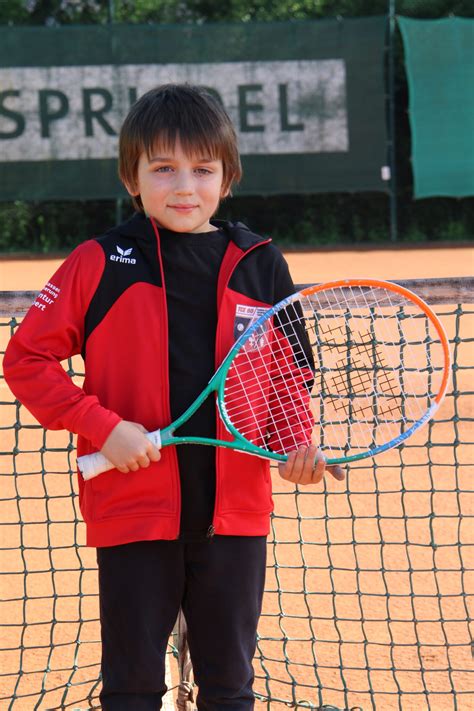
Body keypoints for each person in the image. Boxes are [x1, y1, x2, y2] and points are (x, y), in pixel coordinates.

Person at [3, 84, 344, 710]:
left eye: (202, 169)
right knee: (131, 687)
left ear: (227, 177)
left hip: (236, 517)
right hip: (132, 515)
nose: (183, 185)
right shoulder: (99, 261)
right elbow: (27, 358)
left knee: (229, 688)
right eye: (163, 168)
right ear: (132, 177)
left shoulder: (261, 264)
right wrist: (102, 427)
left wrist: (296, 443)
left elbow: (290, 378)